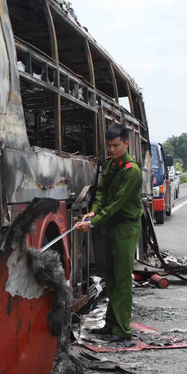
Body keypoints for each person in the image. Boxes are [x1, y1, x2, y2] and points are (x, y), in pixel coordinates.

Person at [73, 123, 143, 343]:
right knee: (111, 278)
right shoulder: (112, 164)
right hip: (112, 226)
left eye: (116, 145)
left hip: (126, 228)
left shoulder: (132, 171)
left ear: (126, 144)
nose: (111, 149)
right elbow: (102, 192)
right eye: (109, 145)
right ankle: (111, 325)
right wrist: (93, 211)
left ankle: (122, 330)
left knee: (121, 280)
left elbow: (116, 204)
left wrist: (92, 224)